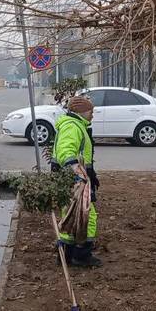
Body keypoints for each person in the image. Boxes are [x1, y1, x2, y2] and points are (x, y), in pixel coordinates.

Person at [53, 96, 100, 267]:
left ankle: (67, 255)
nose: (93, 115)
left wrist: (91, 175)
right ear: (82, 112)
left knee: (72, 215)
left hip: (75, 178)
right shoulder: (72, 127)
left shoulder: (76, 125)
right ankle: (81, 255)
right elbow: (66, 152)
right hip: (74, 180)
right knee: (87, 216)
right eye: (91, 112)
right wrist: (79, 174)